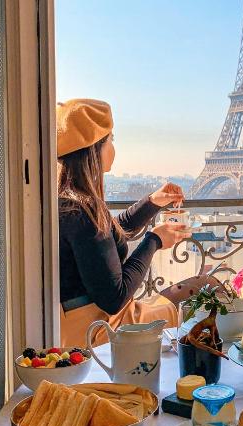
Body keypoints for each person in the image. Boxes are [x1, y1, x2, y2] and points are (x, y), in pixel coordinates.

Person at [57, 98, 190, 347]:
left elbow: (103, 241)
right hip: (98, 329)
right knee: (205, 293)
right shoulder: (83, 211)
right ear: (96, 149)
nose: (114, 147)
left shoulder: (67, 202)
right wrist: (154, 240)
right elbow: (115, 298)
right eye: (111, 140)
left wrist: (152, 202)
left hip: (75, 323)